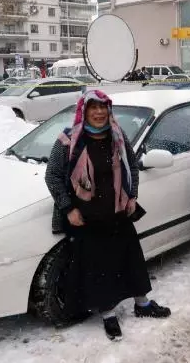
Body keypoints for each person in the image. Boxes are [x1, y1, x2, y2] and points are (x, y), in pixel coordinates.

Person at [45, 90, 171, 341]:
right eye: (94, 107)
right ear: (84, 110)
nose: (100, 112)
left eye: (104, 107)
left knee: (131, 259)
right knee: (99, 267)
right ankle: (108, 314)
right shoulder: (68, 141)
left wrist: (132, 195)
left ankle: (143, 304)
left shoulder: (117, 135)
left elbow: (132, 167)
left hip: (118, 211)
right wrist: (68, 208)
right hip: (87, 216)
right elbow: (53, 177)